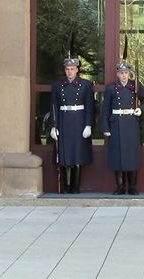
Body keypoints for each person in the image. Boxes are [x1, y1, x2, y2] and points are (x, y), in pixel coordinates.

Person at [101, 61, 144, 195]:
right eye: (121, 73)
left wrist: (140, 109)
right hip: (116, 122)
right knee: (118, 155)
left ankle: (133, 186)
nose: (124, 75)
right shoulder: (111, 88)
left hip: (131, 122)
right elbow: (105, 108)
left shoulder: (135, 85)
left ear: (129, 74)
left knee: (132, 154)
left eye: (126, 73)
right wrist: (105, 126)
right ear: (117, 74)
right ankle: (120, 186)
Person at [49, 57, 95, 194]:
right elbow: (53, 106)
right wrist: (53, 126)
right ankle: (66, 185)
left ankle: (76, 186)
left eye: (72, 69)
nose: (70, 72)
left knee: (77, 153)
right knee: (64, 154)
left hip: (79, 120)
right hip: (63, 120)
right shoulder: (58, 85)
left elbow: (90, 106)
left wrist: (88, 124)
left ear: (77, 70)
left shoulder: (86, 85)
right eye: (67, 69)